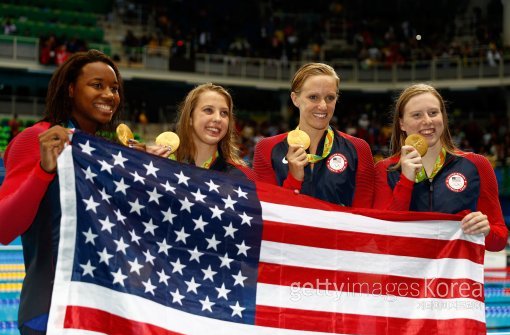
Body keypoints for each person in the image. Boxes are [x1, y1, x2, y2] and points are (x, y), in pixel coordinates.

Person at [0, 49, 123, 335]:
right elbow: (4, 228)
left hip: (103, 311)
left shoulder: (105, 154)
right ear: (70, 89)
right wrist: (44, 170)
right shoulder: (37, 138)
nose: (109, 95)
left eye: (115, 88)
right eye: (97, 85)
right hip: (50, 310)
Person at [373, 83, 507, 251]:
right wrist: (406, 180)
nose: (427, 121)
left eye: (433, 113)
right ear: (401, 123)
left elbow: (499, 239)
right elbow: (381, 239)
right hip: (406, 276)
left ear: (443, 117)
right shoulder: (385, 170)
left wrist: (485, 231)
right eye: (416, 115)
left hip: (455, 276)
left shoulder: (477, 165)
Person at [252, 62, 374, 207]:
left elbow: (366, 217)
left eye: (330, 98)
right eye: (313, 97)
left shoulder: (358, 149)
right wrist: (294, 180)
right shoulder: (267, 148)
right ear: (295, 99)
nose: (323, 106)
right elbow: (267, 215)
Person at [149, 83, 255, 180]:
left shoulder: (242, 176)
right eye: (208, 110)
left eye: (224, 113)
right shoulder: (162, 164)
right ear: (190, 118)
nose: (218, 118)